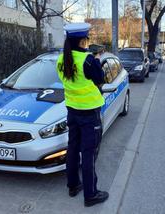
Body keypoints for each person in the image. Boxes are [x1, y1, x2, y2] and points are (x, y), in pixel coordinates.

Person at [56, 23, 109, 207]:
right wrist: (97, 60)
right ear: (82, 40)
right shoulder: (88, 60)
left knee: (72, 148)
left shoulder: (61, 59)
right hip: (89, 114)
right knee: (88, 153)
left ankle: (73, 185)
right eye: (86, 39)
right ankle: (91, 194)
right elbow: (100, 79)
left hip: (72, 110)